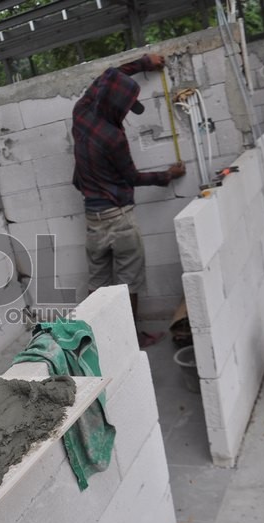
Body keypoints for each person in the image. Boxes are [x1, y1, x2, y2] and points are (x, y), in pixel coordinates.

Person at [71, 53, 186, 349]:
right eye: (125, 109)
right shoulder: (114, 138)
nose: (125, 115)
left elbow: (110, 75)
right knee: (128, 284)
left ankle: (90, 339)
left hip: (92, 218)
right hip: (119, 218)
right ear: (115, 105)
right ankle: (130, 340)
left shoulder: (80, 112)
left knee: (96, 284)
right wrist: (167, 175)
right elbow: (132, 177)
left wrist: (144, 62)